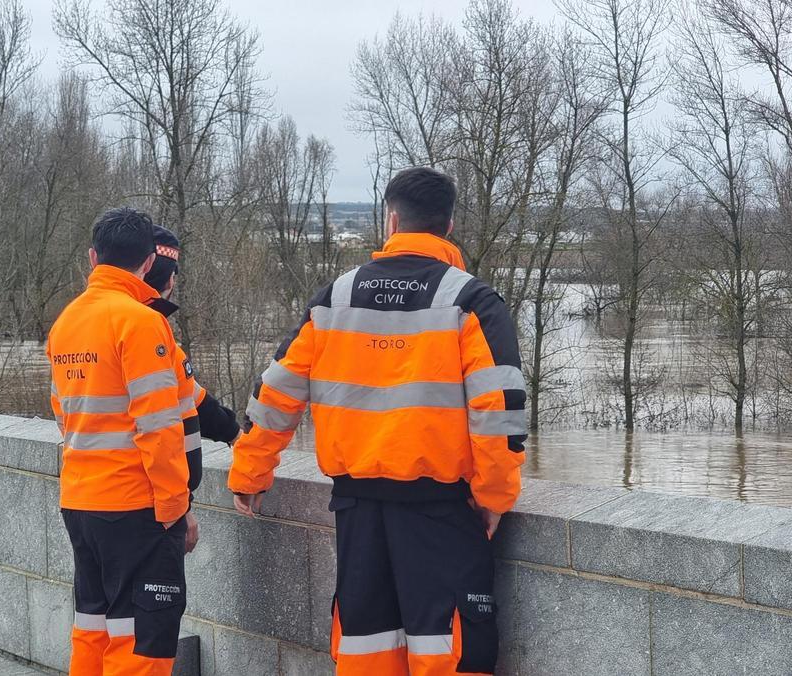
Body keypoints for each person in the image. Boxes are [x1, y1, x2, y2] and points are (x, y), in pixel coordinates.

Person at [228, 167, 527, 675]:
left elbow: (275, 394)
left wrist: (249, 473)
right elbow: (498, 409)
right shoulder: (471, 300)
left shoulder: (335, 298)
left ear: (391, 220)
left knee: (366, 650)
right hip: (440, 514)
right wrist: (495, 496)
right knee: (447, 651)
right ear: (449, 226)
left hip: (357, 511)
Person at [47, 207, 191, 676]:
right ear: (149, 263)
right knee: (140, 642)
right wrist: (174, 510)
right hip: (133, 507)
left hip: (80, 501)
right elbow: (160, 428)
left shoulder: (66, 322)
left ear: (93, 257)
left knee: (93, 629)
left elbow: (62, 413)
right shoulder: (142, 322)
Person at [143, 224, 242, 528]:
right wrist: (179, 510)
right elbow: (158, 429)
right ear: (169, 278)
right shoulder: (146, 331)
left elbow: (191, 398)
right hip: (148, 508)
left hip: (91, 501)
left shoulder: (79, 321)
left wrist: (232, 433)